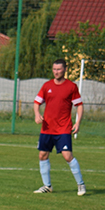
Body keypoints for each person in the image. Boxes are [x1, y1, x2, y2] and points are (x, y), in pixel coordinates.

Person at [33, 58, 86, 196]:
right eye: (54, 69)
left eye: (59, 69)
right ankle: (47, 186)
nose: (56, 72)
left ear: (65, 70)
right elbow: (37, 102)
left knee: (67, 156)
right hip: (47, 128)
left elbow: (79, 106)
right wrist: (37, 114)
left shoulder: (71, 87)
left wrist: (78, 122)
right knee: (42, 155)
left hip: (63, 128)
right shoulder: (47, 85)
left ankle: (80, 185)